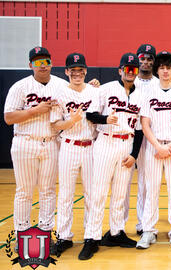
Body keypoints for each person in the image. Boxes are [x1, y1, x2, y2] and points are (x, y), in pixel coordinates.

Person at [80, 53, 143, 260]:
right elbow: (90, 114)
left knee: (120, 194)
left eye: (134, 69)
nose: (130, 72)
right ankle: (91, 237)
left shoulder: (140, 94)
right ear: (120, 70)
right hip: (107, 140)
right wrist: (106, 118)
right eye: (127, 68)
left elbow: (141, 129)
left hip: (127, 143)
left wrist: (134, 155)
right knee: (98, 193)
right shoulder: (105, 89)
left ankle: (116, 232)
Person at [4, 46, 64, 245]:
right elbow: (9, 117)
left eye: (46, 61)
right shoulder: (20, 87)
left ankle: (45, 232)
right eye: (38, 62)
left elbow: (80, 95)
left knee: (48, 190)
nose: (43, 66)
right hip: (25, 142)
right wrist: (35, 111)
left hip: (52, 142)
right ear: (30, 65)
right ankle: (23, 234)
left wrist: (92, 84)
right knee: (25, 191)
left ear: (51, 63)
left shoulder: (61, 85)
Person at [138, 51, 171, 249]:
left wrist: (170, 146)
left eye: (168, 67)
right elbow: (145, 123)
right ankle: (148, 230)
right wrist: (158, 146)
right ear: (157, 70)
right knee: (151, 190)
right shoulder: (148, 93)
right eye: (162, 67)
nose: (165, 71)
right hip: (154, 147)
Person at [50, 53, 98, 256]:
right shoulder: (59, 94)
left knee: (91, 195)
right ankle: (63, 236)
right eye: (73, 70)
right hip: (68, 145)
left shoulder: (95, 92)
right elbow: (55, 126)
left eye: (81, 70)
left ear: (85, 71)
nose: (77, 73)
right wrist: (72, 120)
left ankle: (90, 237)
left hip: (90, 146)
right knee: (66, 194)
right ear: (66, 72)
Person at [132, 43, 158, 236]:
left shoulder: (159, 83)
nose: (146, 62)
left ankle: (148, 221)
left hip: (154, 137)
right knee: (138, 182)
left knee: (150, 182)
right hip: (132, 136)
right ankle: (140, 222)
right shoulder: (130, 82)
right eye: (143, 58)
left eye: (150, 59)